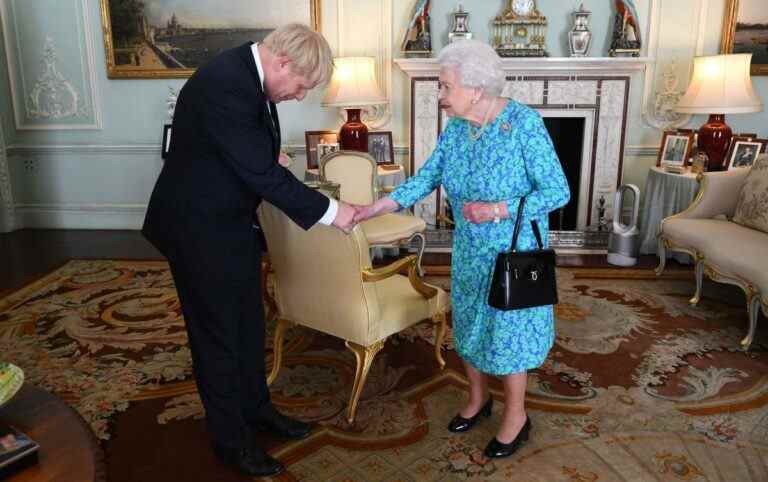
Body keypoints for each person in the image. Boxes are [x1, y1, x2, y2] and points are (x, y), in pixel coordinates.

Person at [142, 24, 357, 477]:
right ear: (282, 63)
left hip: (230, 221)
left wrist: (261, 156)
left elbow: (247, 152)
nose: (300, 96)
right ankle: (231, 442)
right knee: (217, 336)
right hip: (196, 227)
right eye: (301, 85)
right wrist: (333, 212)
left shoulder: (249, 73)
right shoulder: (226, 83)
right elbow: (259, 172)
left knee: (248, 323)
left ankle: (258, 411)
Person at [354, 40, 570, 459]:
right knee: (470, 325)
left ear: (475, 88)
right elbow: (428, 175)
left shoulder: (523, 124)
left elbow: (558, 191)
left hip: (513, 251)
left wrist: (496, 210)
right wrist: (378, 205)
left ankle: (516, 415)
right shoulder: (458, 128)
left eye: (445, 85)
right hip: (470, 251)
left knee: (509, 337)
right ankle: (477, 399)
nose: (441, 94)